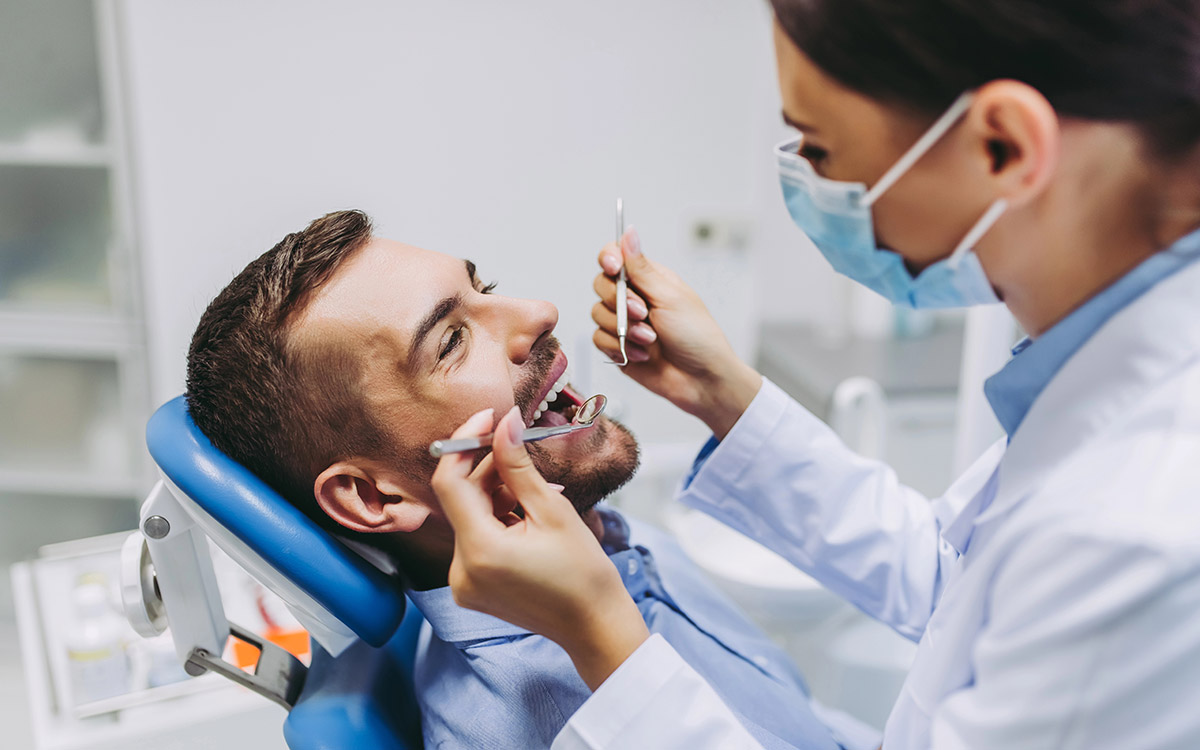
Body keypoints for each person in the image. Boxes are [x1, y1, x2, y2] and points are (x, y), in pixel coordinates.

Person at [429, 1, 1200, 748]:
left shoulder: (1138, 524)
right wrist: (721, 392)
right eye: (449, 339)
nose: (538, 312)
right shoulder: (1109, 409)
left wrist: (602, 635)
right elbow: (964, 584)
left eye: (821, 152)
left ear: (1003, 145)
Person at [185, 210, 865, 750]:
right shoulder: (502, 729)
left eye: (484, 288)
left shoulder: (599, 534)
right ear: (372, 496)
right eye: (451, 340)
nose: (539, 311)